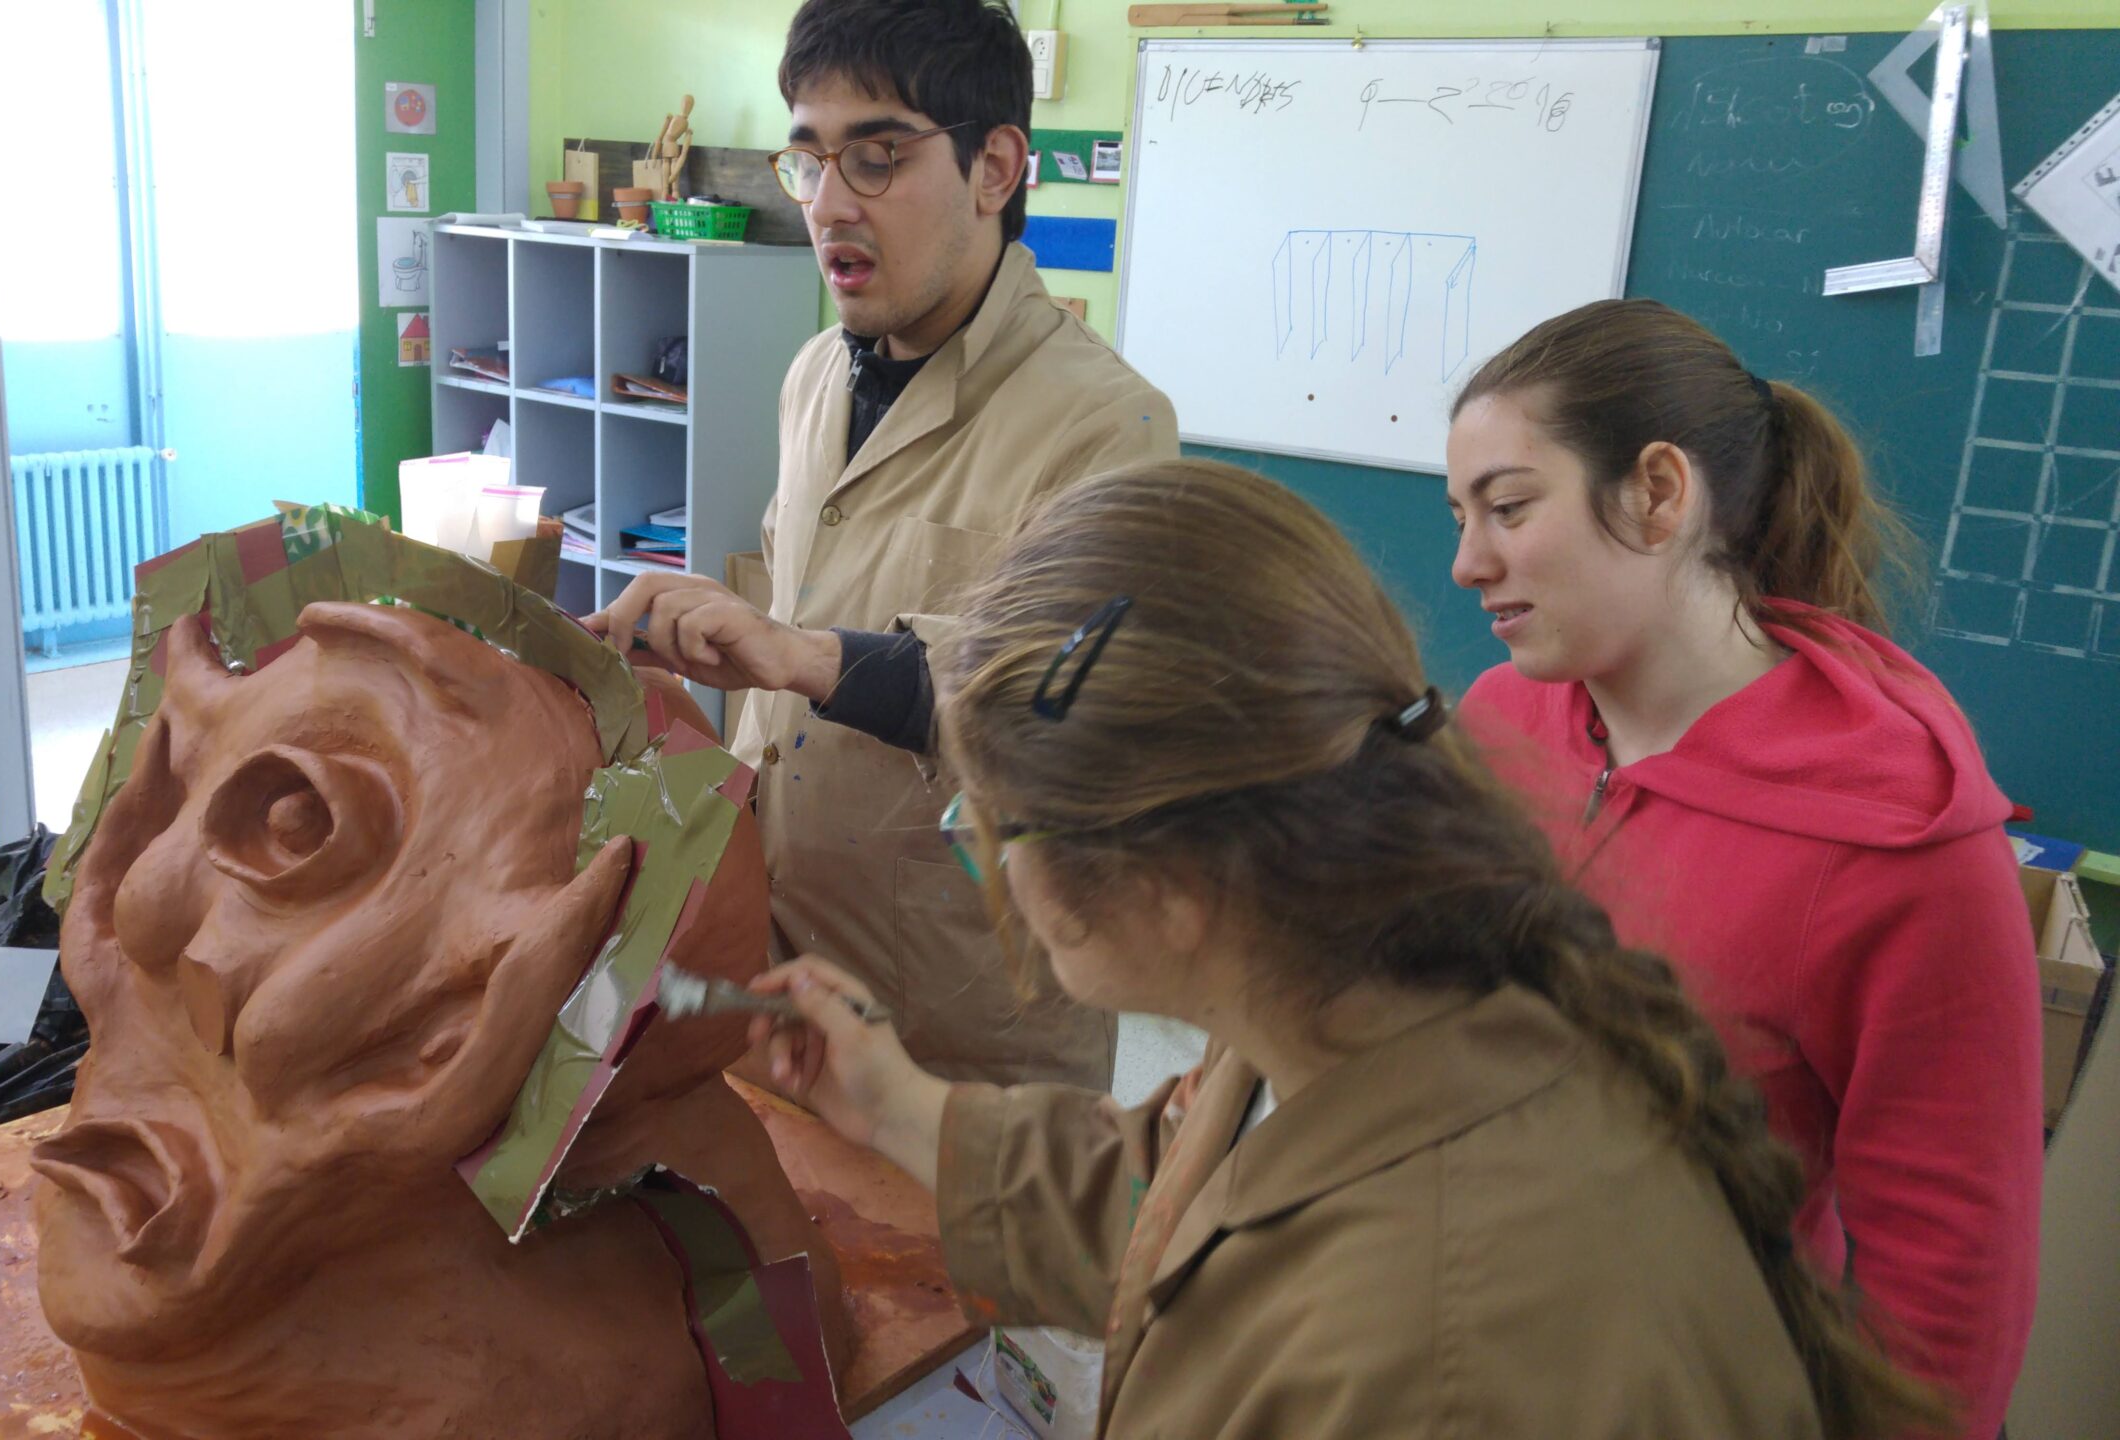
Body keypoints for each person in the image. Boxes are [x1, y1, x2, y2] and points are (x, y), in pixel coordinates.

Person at [747, 457, 1951, 1439]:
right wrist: (891, 1100)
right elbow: (1185, 1205)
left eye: (990, 823)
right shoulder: (1347, 1006)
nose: (989, 859)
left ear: (1170, 885)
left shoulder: (1430, 1360)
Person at [1444, 298, 2040, 1439]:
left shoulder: (1899, 848)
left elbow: (1948, 1280)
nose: (1469, 563)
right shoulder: (1499, 718)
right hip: (1471, 1349)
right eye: (1461, 516)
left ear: (1659, 493)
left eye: (1509, 508)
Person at [586, 0, 1178, 1088]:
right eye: (809, 161)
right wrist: (697, 656)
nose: (826, 205)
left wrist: (801, 656)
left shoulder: (1107, 423)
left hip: (959, 1034)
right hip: (770, 971)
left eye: (877, 157)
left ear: (994, 168)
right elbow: (799, 615)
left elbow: (1067, 712)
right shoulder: (815, 374)